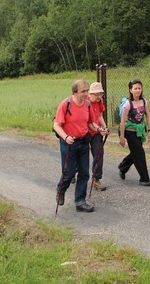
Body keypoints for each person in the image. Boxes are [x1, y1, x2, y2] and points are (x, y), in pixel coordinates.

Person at [52, 79, 98, 213]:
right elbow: (56, 125)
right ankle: (60, 190)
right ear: (74, 92)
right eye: (83, 91)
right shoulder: (65, 104)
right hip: (69, 143)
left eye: (87, 90)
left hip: (83, 141)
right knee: (69, 173)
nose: (86, 94)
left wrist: (100, 129)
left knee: (84, 173)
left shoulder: (87, 104)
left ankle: (80, 201)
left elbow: (90, 124)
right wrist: (66, 137)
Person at [118, 78, 150, 186]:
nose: (138, 90)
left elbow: (148, 116)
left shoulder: (144, 101)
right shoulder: (128, 104)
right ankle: (144, 179)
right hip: (129, 132)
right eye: (135, 88)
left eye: (139, 88)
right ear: (131, 90)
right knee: (140, 153)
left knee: (135, 152)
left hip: (140, 131)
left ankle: (123, 167)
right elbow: (122, 122)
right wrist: (122, 137)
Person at [87, 82, 110, 191]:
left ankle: (96, 179)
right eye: (96, 94)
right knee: (80, 155)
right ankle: (73, 172)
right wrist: (99, 129)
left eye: (100, 94)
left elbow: (100, 116)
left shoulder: (99, 101)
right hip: (84, 132)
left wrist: (105, 127)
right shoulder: (85, 102)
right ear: (90, 94)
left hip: (96, 132)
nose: (99, 97)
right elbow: (88, 121)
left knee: (99, 154)